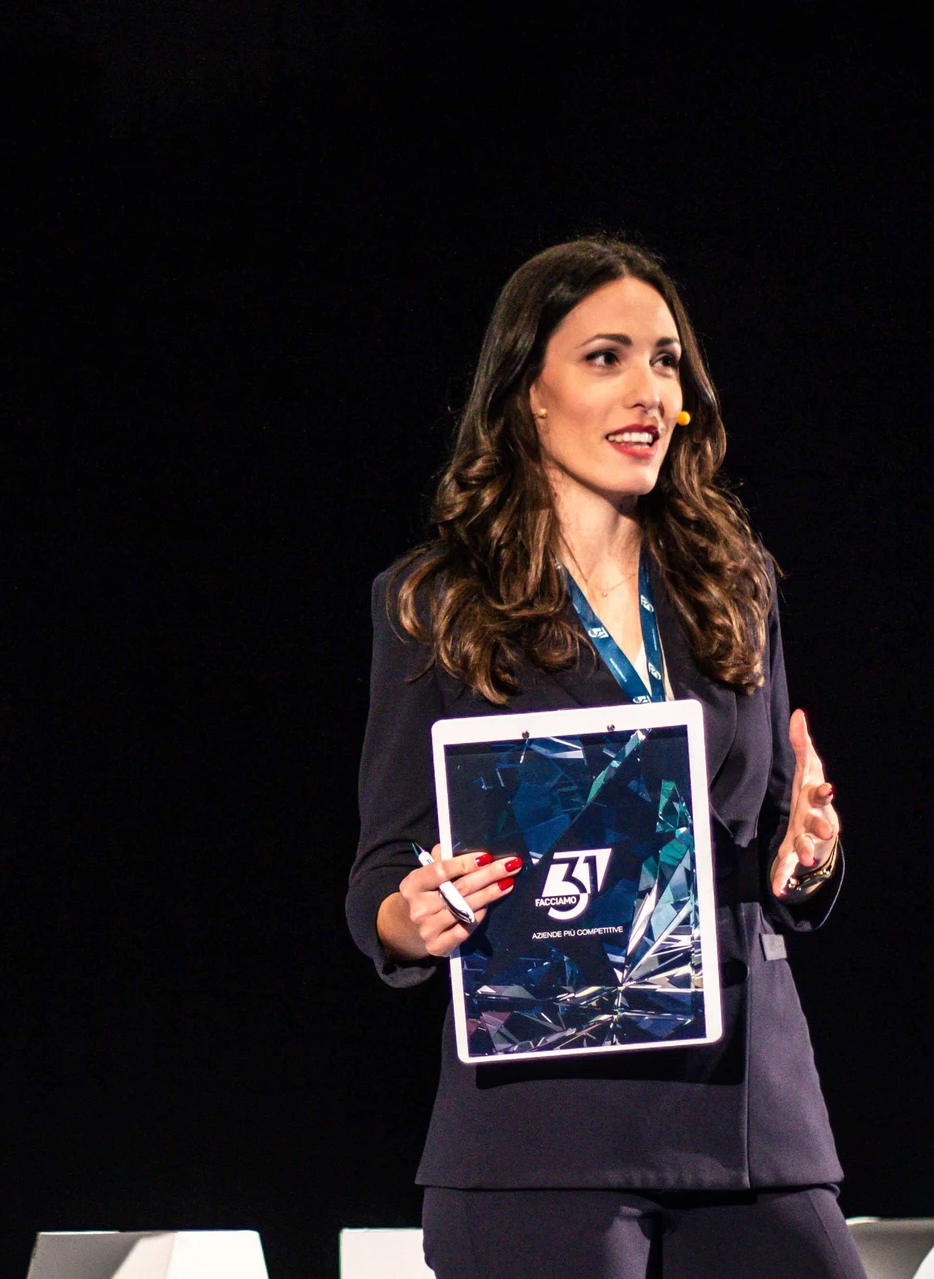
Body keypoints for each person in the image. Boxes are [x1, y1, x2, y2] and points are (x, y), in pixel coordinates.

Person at [347, 237, 863, 1278]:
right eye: (605, 357)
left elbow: (774, 839)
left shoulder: (737, 583)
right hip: (540, 1131)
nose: (648, 392)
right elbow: (382, 879)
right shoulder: (435, 604)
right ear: (529, 393)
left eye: (666, 361)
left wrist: (809, 855)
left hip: (747, 1113)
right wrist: (417, 912)